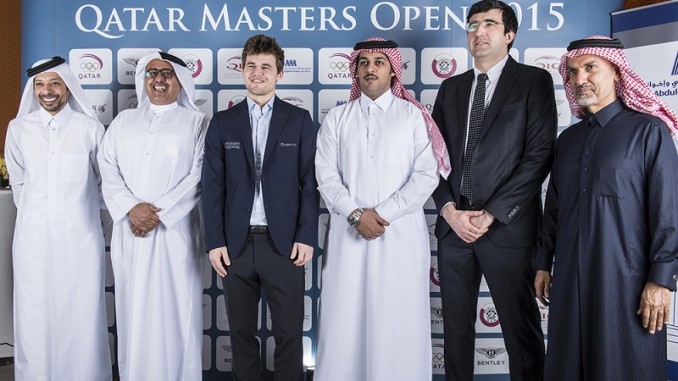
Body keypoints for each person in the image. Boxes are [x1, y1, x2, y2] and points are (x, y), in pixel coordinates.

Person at [534, 36, 678, 381]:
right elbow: (554, 208)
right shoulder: (567, 140)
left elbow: (668, 212)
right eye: (572, 72)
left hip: (626, 280)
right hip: (568, 278)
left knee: (625, 365)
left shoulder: (649, 131)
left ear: (616, 72)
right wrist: (542, 263)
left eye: (590, 67)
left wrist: (661, 281)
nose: (579, 78)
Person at [431, 0, 558, 379]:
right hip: (455, 229)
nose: (478, 32)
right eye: (472, 25)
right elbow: (431, 157)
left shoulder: (534, 81)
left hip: (507, 227)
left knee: (520, 334)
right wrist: (449, 210)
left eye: (489, 24)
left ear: (509, 34)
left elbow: (538, 156)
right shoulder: (451, 87)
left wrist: (492, 213)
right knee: (454, 333)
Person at [314, 37, 449, 381]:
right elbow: (326, 176)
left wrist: (382, 214)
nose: (370, 68)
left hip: (399, 237)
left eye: (379, 62)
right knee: (345, 318)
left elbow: (425, 175)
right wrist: (357, 215)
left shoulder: (412, 116)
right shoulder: (338, 119)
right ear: (355, 70)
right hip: (349, 235)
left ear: (393, 70)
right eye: (363, 62)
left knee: (398, 319)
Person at [201, 34, 318, 381]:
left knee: (289, 336)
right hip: (235, 246)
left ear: (279, 73)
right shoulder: (222, 123)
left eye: (266, 66)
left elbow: (309, 183)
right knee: (240, 335)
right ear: (242, 70)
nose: (257, 72)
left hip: (283, 245)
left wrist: (306, 235)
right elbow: (212, 188)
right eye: (251, 65)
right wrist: (214, 242)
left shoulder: (299, 120)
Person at [98, 51, 208, 381]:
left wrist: (159, 214)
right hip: (131, 233)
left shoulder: (197, 122)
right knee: (135, 312)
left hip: (176, 235)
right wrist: (132, 208)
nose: (158, 79)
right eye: (151, 73)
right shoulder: (122, 122)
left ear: (180, 81)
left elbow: (200, 175)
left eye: (166, 73)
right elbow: (107, 168)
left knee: (176, 312)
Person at [5, 56, 112, 380]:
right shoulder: (19, 129)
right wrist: (39, 220)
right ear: (33, 89)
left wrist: (90, 226)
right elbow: (20, 184)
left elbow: (104, 186)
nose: (47, 91)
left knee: (80, 313)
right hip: (32, 241)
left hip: (80, 239)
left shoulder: (90, 129)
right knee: (34, 313)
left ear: (67, 86)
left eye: (54, 83)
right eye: (40, 84)